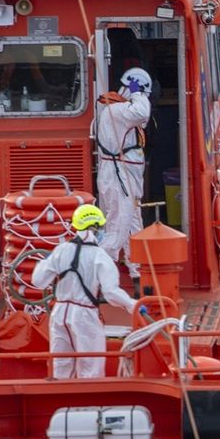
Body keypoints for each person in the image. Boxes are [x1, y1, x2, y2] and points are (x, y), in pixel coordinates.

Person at [31, 204, 142, 379]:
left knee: (60, 363)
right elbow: (111, 293)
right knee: (91, 365)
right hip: (85, 315)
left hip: (59, 313)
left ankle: (59, 400)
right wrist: (133, 305)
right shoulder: (100, 256)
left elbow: (38, 281)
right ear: (96, 227)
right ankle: (88, 403)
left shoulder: (60, 250)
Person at [94, 67, 152, 280]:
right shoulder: (117, 111)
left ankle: (137, 270)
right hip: (120, 176)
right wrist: (137, 92)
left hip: (125, 176)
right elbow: (142, 112)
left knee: (132, 224)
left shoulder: (118, 112)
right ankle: (94, 271)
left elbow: (141, 116)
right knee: (118, 226)